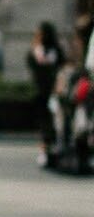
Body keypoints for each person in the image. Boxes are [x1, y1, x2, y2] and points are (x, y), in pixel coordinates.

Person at [31, 23, 67, 162]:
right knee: (44, 121)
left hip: (54, 91)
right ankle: (45, 149)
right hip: (41, 92)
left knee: (55, 121)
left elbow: (61, 68)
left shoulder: (55, 51)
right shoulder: (37, 50)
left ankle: (55, 148)